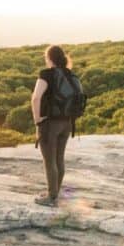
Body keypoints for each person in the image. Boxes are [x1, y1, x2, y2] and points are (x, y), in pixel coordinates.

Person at [32, 45, 73, 206]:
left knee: (49, 161)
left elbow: (36, 98)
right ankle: (55, 192)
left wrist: (38, 120)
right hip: (67, 123)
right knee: (59, 159)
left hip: (50, 123)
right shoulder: (69, 74)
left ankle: (51, 197)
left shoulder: (46, 74)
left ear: (49, 58)